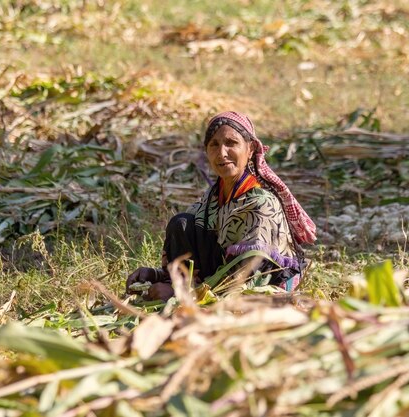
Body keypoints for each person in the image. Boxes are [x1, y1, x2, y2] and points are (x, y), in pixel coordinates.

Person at [126, 111, 316, 301]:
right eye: (214, 145)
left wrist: (184, 294)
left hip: (260, 286)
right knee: (181, 223)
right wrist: (157, 276)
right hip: (224, 277)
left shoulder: (260, 203)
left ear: (250, 150)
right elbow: (193, 242)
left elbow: (251, 277)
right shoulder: (214, 195)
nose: (222, 153)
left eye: (231, 143)